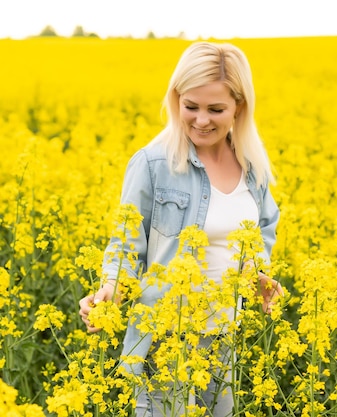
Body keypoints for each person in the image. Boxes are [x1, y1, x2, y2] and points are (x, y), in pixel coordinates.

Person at [78, 41, 282, 417]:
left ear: (239, 106)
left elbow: (262, 233)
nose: (201, 120)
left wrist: (258, 275)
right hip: (164, 337)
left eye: (215, 109)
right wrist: (110, 289)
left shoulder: (253, 170)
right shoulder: (153, 164)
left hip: (224, 339)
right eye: (191, 107)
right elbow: (127, 242)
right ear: (176, 101)